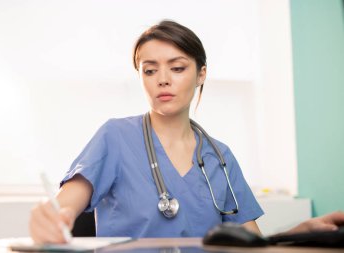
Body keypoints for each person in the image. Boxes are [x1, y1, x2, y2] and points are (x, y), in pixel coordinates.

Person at [29, 20, 344, 244]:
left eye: (177, 67)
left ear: (200, 74)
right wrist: (55, 216)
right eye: (149, 70)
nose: (162, 79)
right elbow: (67, 202)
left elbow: (249, 244)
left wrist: (298, 232)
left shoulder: (219, 157)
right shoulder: (114, 137)